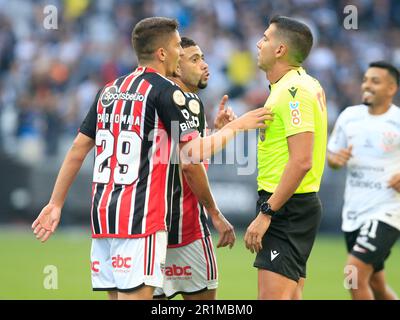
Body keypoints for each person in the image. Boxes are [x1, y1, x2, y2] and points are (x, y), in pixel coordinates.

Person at [31, 17, 272, 300]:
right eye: (176, 47)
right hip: (142, 219)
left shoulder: (108, 90)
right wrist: (236, 127)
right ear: (162, 53)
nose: (179, 53)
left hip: (104, 220)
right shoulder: (167, 92)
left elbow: (77, 148)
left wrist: (55, 203)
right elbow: (190, 156)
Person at [243, 15, 328, 300]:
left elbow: (302, 160)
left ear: (280, 50)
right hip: (292, 204)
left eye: (266, 38)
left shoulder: (294, 92)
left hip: (286, 207)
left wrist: (267, 213)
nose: (259, 43)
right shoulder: (300, 85)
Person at [154, 37, 236, 300]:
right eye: (195, 59)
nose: (204, 65)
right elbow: (188, 165)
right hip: (185, 227)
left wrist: (217, 132)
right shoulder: (183, 102)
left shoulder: (176, 102)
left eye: (202, 57)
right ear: (176, 68)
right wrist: (216, 213)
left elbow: (189, 158)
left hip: (151, 228)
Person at [327, 61, 400, 300]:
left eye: (375, 81)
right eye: (365, 80)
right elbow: (332, 156)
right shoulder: (349, 117)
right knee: (377, 285)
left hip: (387, 211)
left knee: (353, 274)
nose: (367, 85)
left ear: (391, 89)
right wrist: (336, 159)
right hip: (355, 213)